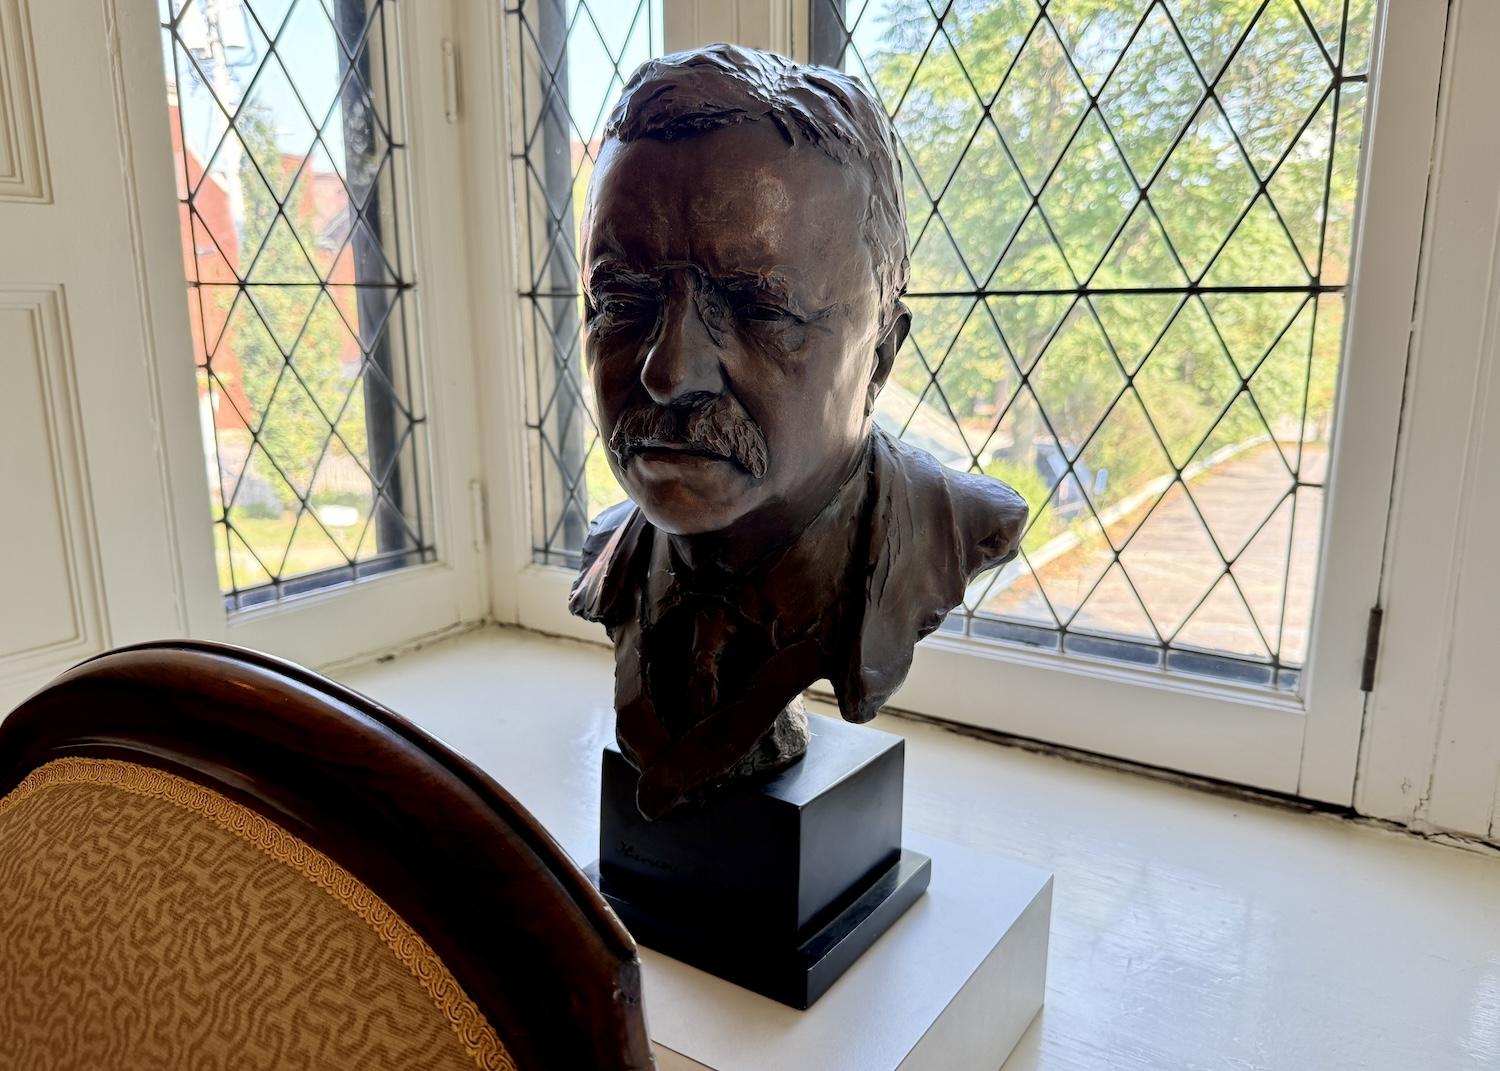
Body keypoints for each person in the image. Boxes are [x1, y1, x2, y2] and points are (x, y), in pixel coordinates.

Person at [569, 44, 1027, 818]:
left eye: (759, 308)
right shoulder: (610, 552)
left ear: (880, 353)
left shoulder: (959, 528)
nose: (669, 373)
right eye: (623, 298)